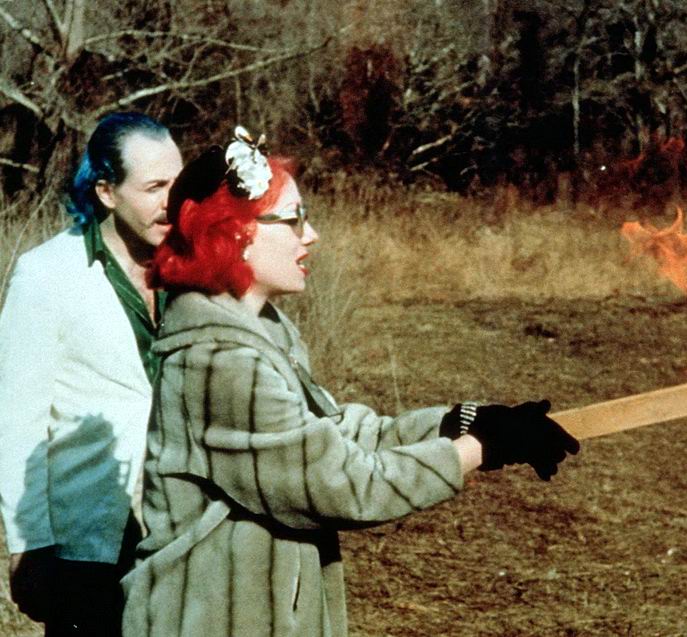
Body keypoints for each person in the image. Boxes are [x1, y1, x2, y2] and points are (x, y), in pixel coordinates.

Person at [121, 127, 579, 637]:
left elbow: (335, 433)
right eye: (293, 219)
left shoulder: (258, 330)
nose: (311, 235)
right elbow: (339, 485)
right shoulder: (219, 359)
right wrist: (480, 449)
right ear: (234, 234)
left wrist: (461, 423)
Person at [0, 112, 183, 635]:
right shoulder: (47, 274)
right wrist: (29, 544)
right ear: (106, 192)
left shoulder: (193, 272)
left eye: (177, 183)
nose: (172, 202)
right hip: (89, 541)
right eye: (154, 187)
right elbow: (18, 420)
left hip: (180, 530)